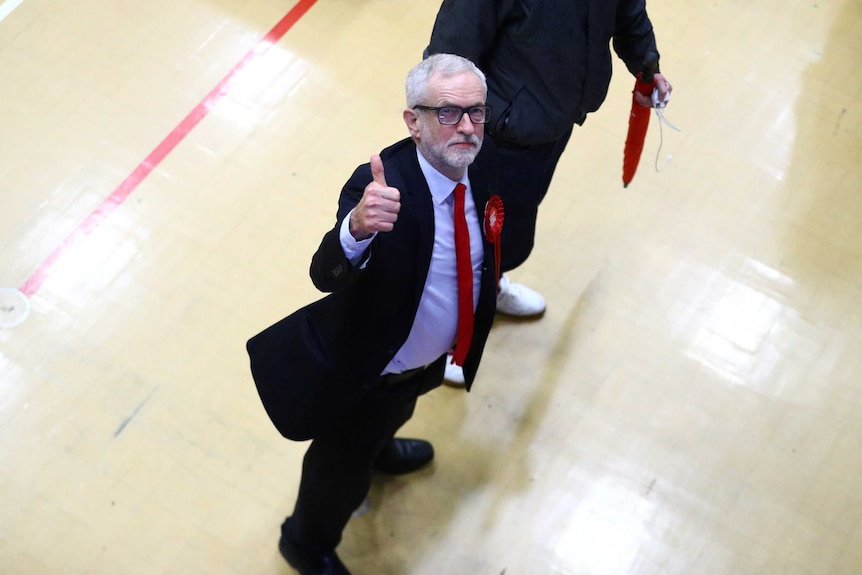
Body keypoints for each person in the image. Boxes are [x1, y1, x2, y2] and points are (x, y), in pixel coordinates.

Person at [246, 53, 502, 575]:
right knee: (338, 467)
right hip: (368, 373)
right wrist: (357, 230)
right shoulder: (380, 185)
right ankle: (305, 543)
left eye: (477, 112)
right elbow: (325, 273)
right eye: (448, 113)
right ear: (413, 120)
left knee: (400, 410)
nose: (468, 127)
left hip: (421, 364)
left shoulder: (483, 165)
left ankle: (381, 450)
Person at [426, 0, 674, 385]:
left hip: (548, 121)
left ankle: (488, 287)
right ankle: (446, 339)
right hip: (490, 134)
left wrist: (647, 65)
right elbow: (449, 54)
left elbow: (627, 12)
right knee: (463, 239)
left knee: (507, 231)